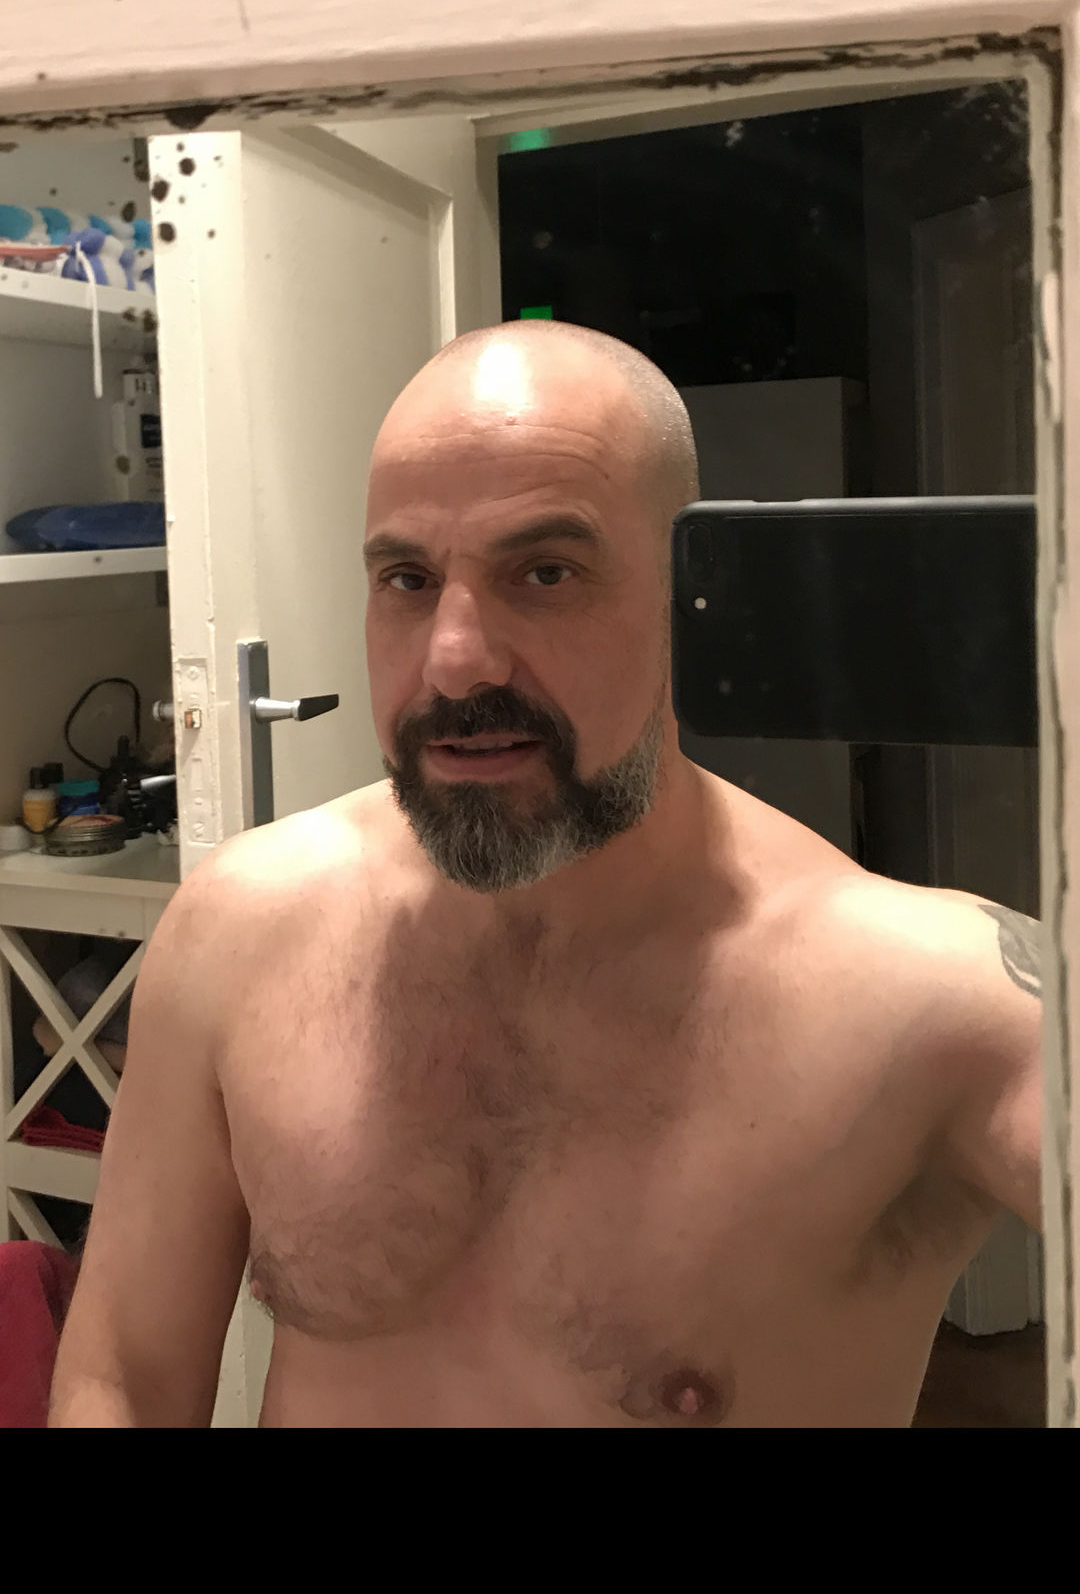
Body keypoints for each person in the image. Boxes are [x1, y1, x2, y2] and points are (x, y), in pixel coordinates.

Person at [49, 322, 1043, 1428]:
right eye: (407, 578)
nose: (454, 659)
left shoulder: (937, 1003)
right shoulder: (236, 931)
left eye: (547, 572)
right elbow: (124, 1375)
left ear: (693, 600)